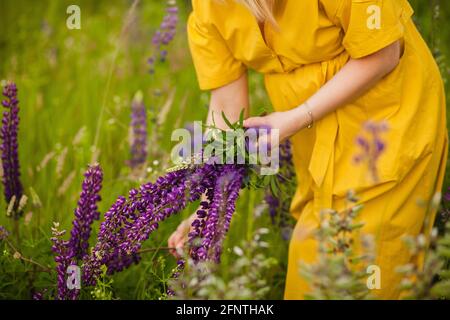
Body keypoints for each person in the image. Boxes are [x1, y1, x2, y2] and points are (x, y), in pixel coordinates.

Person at [169, 0, 448, 299]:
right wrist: (210, 210)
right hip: (314, 146)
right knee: (314, 263)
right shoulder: (208, 8)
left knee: (366, 268)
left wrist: (297, 117)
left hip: (387, 128)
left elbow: (384, 53)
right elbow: (227, 109)